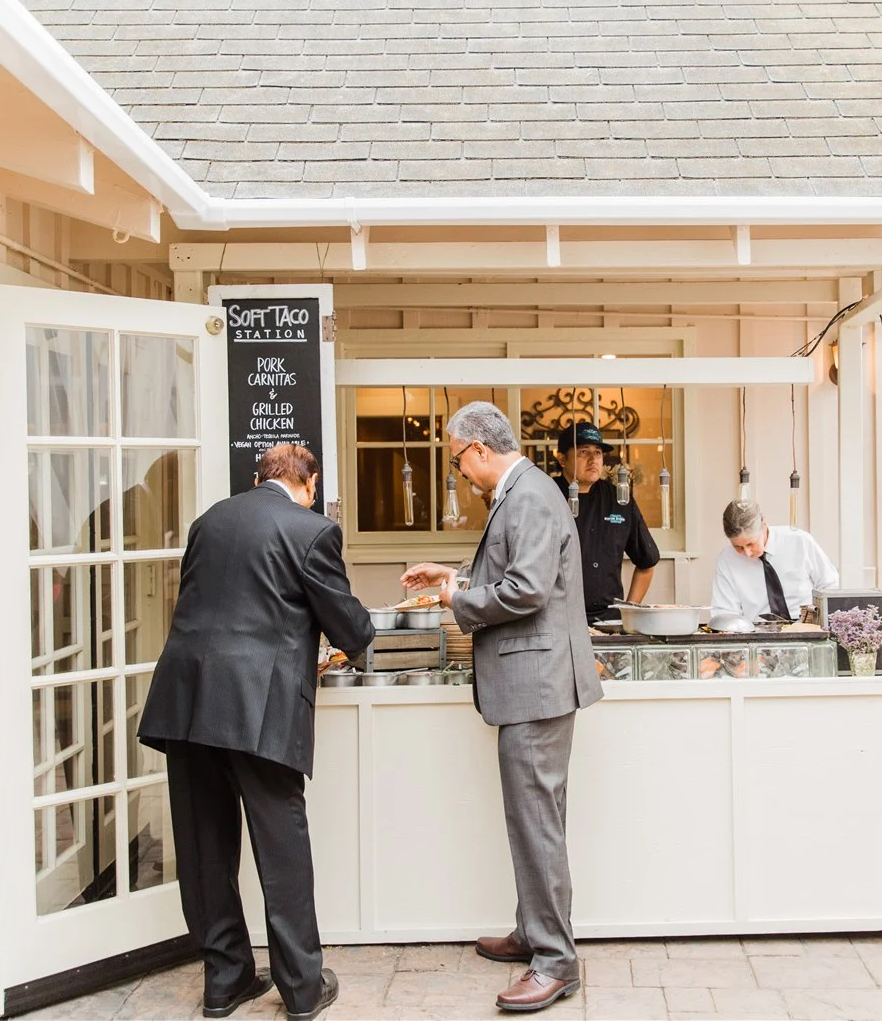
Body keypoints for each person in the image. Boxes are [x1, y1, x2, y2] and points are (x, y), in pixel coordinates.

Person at [138, 444, 373, 1021]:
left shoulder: (208, 521)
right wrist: (356, 636)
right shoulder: (313, 531)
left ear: (257, 477)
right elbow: (349, 627)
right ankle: (301, 988)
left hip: (187, 699)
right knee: (280, 846)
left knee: (203, 845)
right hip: (258, 705)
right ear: (309, 483)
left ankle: (226, 980)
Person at [400, 401, 601, 1014]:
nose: (459, 472)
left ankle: (555, 962)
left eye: (458, 460)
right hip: (534, 684)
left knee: (536, 823)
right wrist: (454, 576)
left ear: (479, 450)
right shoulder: (524, 491)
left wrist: (455, 600)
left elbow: (527, 590)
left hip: (537, 686)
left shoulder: (530, 495)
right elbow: (513, 571)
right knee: (536, 820)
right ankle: (533, 932)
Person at [550, 421, 660, 623]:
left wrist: (628, 612)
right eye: (584, 452)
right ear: (562, 459)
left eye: (598, 453)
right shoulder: (546, 495)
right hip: (558, 620)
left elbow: (647, 562)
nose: (593, 460)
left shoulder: (619, 500)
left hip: (609, 622)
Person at [711, 499, 840, 624]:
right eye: (738, 547)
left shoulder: (800, 541)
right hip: (758, 631)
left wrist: (821, 624)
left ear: (764, 526)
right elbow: (725, 611)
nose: (747, 553)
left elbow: (828, 586)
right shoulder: (726, 560)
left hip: (807, 626)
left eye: (751, 544)